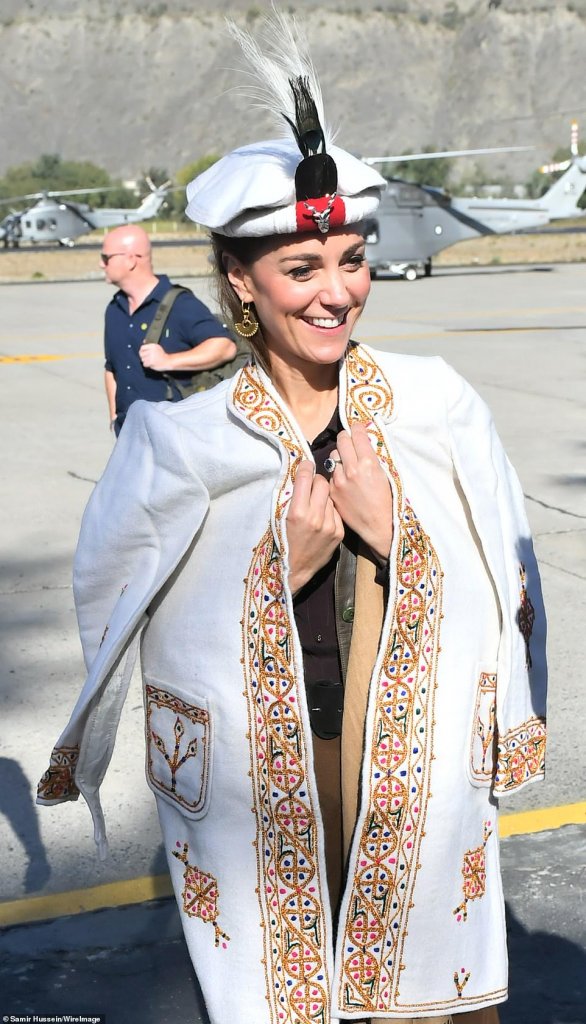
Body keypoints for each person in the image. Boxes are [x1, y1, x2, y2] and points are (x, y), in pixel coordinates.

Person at [38, 11, 546, 1024]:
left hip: (411, 764)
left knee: (430, 1000)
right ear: (240, 279)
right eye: (302, 270)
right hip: (259, 783)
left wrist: (397, 535)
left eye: (352, 261)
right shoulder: (179, 441)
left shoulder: (437, 405)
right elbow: (117, 594)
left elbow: (509, 579)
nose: (337, 294)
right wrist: (280, 562)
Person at [101, 223, 237, 435]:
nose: (101, 264)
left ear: (131, 260)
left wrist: (168, 361)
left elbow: (225, 347)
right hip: (129, 433)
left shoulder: (179, 304)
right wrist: (114, 417)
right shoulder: (114, 309)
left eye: (106, 258)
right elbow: (111, 368)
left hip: (172, 433)